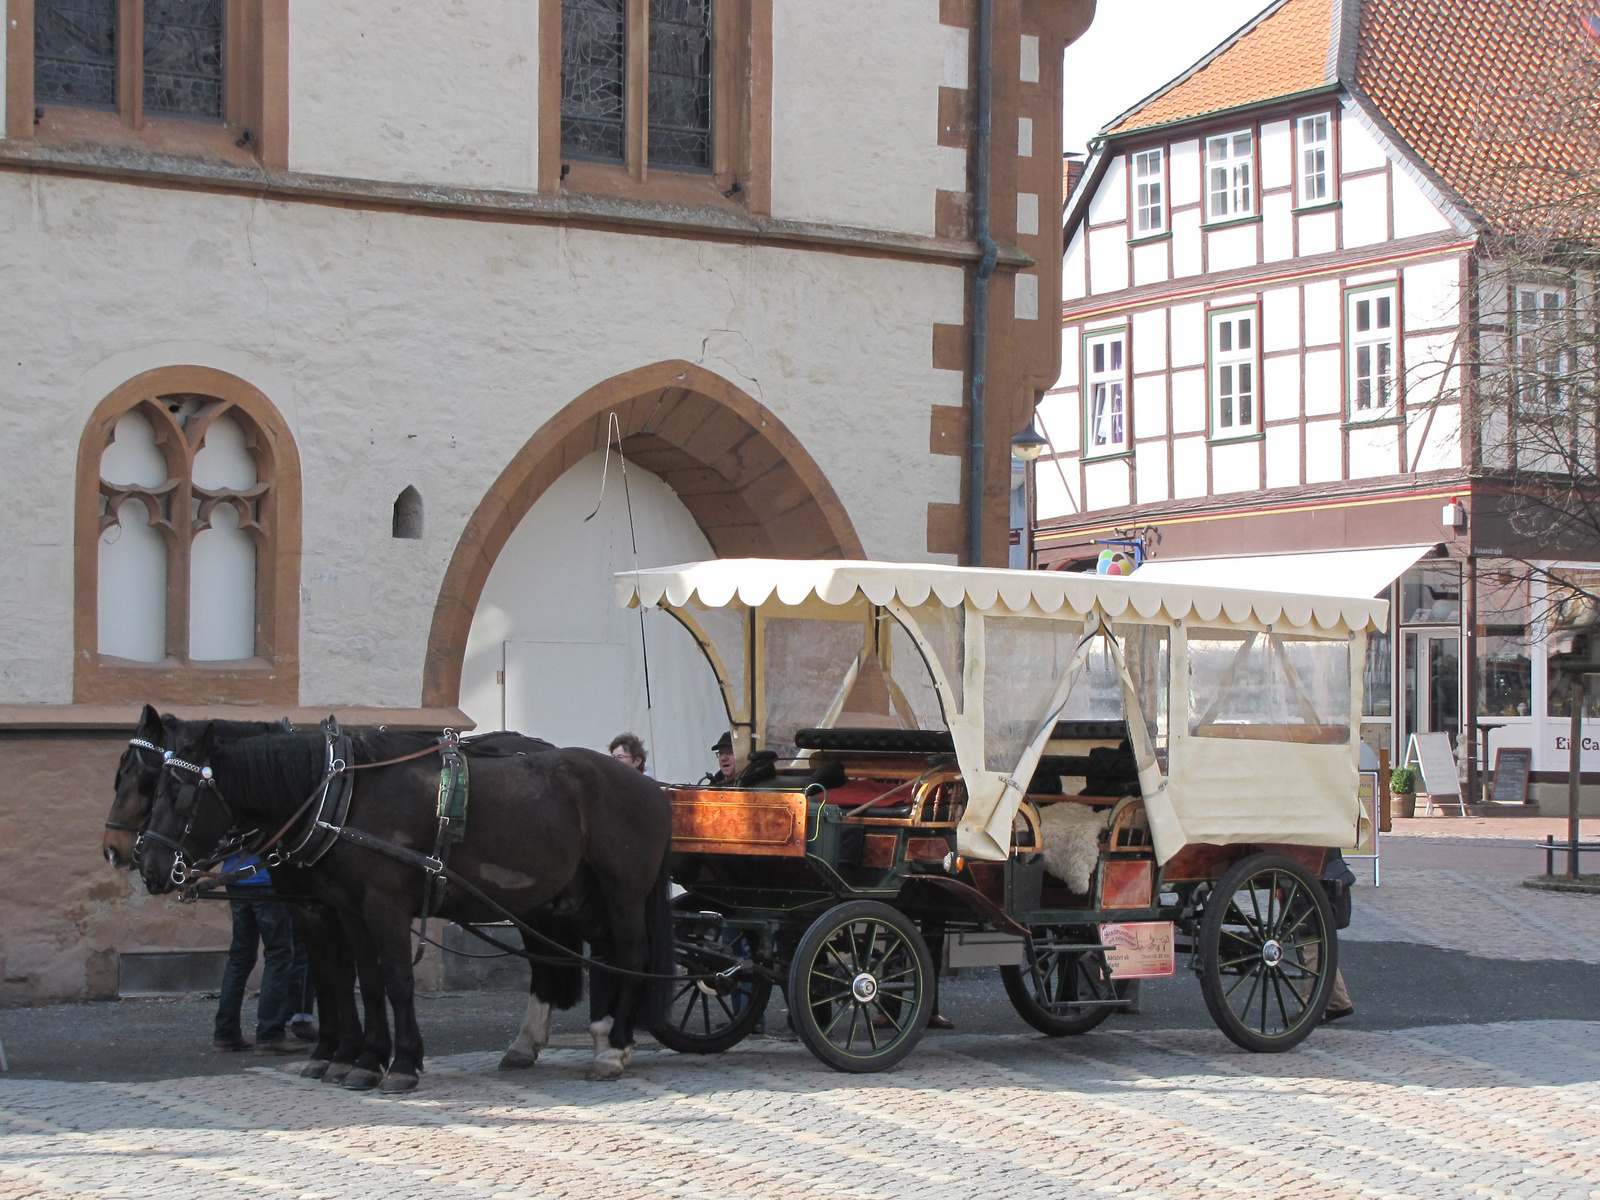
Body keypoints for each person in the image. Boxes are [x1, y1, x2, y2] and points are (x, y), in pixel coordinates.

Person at [212, 853, 301, 1056]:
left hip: (236, 876)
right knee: (279, 955)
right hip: (267, 878)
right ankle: (270, 1034)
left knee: (240, 957)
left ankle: (225, 1034)